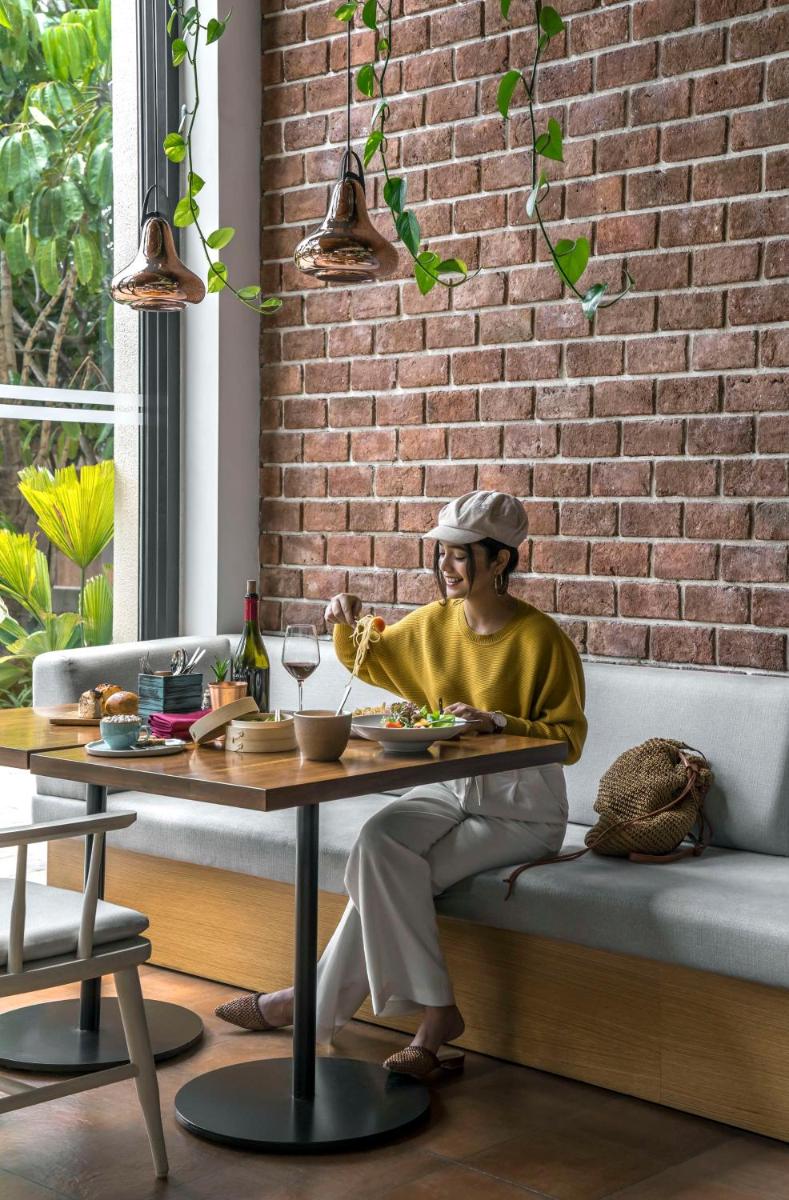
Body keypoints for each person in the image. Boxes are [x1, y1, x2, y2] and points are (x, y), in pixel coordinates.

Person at [216, 490, 587, 1078]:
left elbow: (569, 739)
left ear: (501, 561)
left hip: (522, 808)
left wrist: (497, 721)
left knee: (389, 882)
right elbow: (373, 656)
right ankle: (431, 1011)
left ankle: (314, 1004)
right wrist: (346, 617)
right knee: (378, 844)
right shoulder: (437, 624)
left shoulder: (542, 641)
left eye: (462, 555)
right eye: (442, 553)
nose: (446, 566)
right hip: (451, 787)